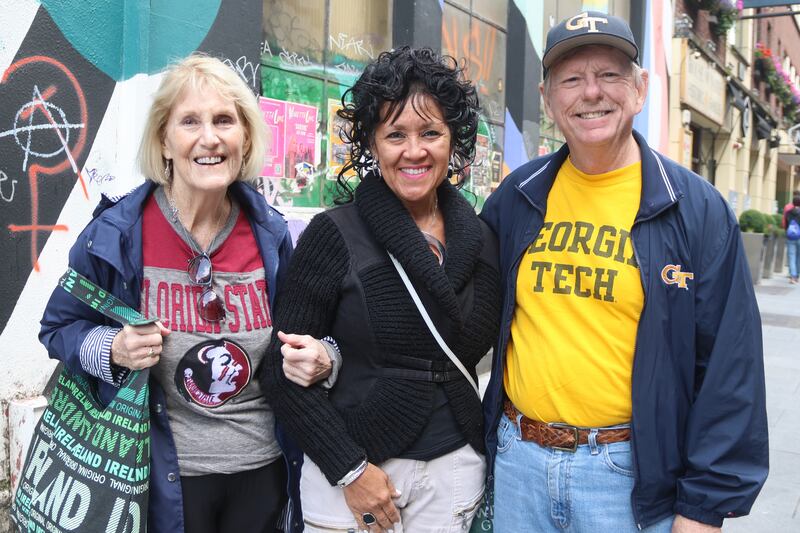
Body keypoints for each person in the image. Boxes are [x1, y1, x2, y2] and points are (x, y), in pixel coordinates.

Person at [479, 12, 768, 533]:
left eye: (609, 75)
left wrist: (703, 509)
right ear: (548, 98)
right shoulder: (517, 197)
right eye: (572, 79)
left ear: (639, 89)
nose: (591, 92)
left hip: (627, 480)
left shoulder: (695, 210)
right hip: (520, 464)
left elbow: (730, 370)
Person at [39, 54, 336, 533]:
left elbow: (316, 337)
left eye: (224, 120)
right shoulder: (116, 235)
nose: (210, 138)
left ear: (244, 138)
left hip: (262, 474)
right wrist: (112, 349)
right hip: (157, 479)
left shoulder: (271, 234)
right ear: (164, 140)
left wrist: (323, 356)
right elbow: (58, 328)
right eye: (190, 122)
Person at [260, 47, 501, 532]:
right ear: (372, 142)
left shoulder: (482, 241)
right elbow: (277, 368)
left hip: (453, 476)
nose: (414, 151)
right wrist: (348, 469)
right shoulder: (335, 234)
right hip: (348, 476)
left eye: (430, 133)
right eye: (395, 135)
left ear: (453, 141)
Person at [784, 195, 800, 283]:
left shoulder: (788, 212)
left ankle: (793, 276)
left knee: (791, 256)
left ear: (793, 203)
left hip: (790, 236)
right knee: (799, 256)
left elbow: (786, 225)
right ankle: (797, 276)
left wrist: (787, 232)